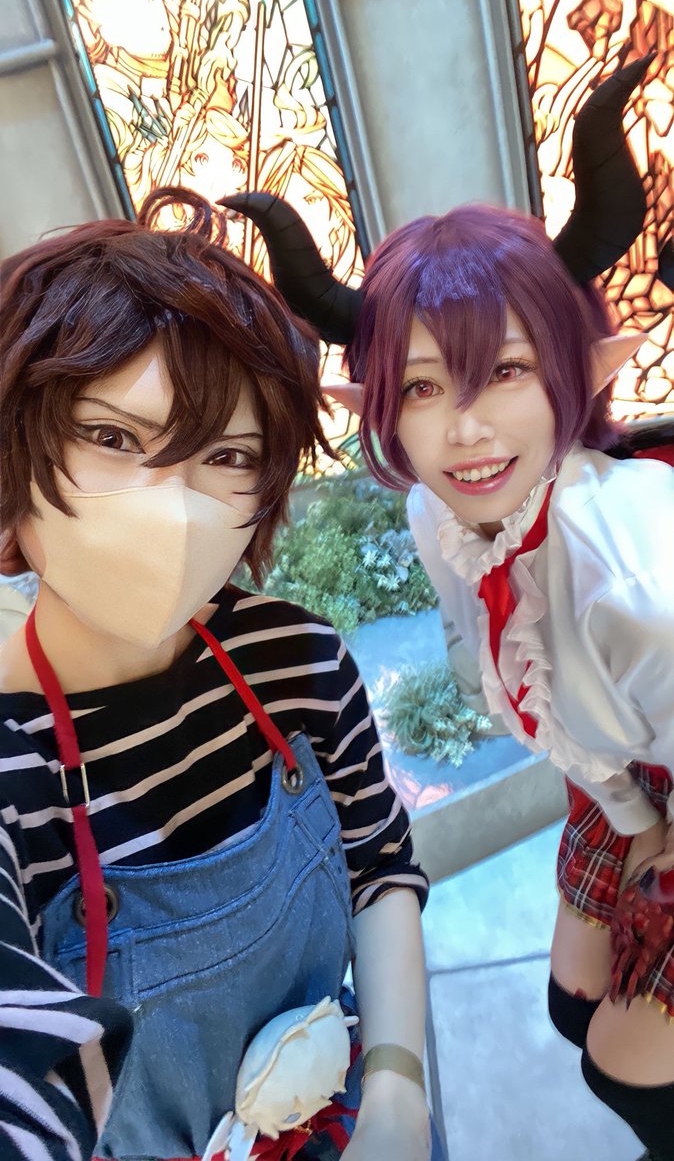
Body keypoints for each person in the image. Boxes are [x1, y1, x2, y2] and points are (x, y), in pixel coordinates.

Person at [225, 57, 674, 1161]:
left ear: (573, 368)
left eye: (506, 371)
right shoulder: (447, 514)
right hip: (622, 773)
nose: (465, 431)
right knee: (572, 1006)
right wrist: (629, 819)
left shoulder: (635, 565)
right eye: (423, 387)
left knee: (626, 1062)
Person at [0, 187, 438, 1161]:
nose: (173, 509)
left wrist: (398, 1089)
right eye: (113, 437)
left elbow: (379, 868)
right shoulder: (11, 765)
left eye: (229, 456)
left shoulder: (297, 661)